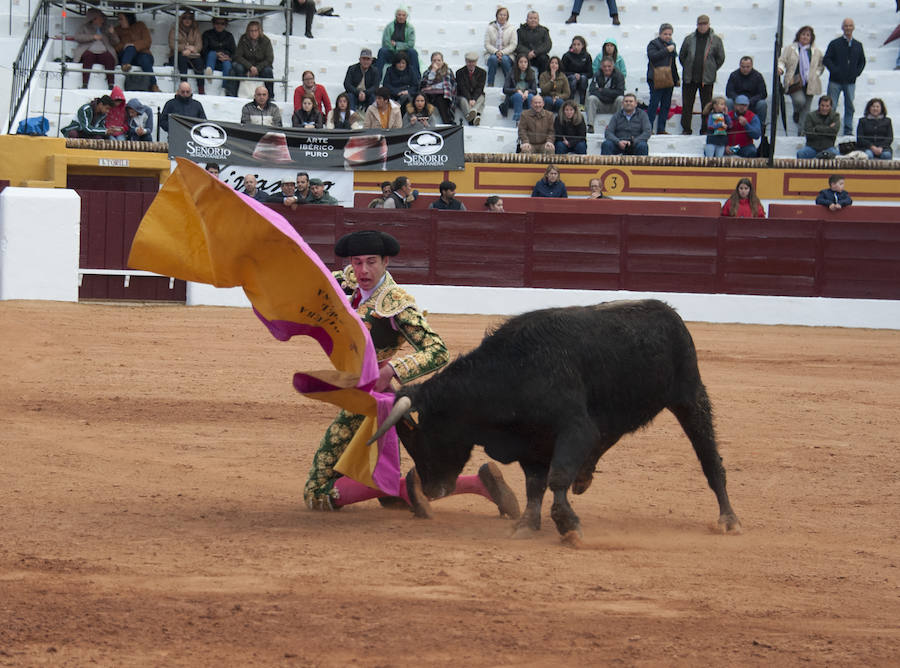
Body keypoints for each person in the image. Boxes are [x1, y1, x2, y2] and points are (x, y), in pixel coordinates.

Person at [306, 230, 519, 517]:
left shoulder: (397, 303)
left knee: (317, 493)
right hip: (355, 389)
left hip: (371, 394)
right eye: (357, 262)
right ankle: (476, 483)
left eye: (371, 262)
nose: (363, 270)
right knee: (356, 471)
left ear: (385, 262)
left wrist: (393, 368)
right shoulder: (346, 280)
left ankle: (410, 487)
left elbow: (437, 349)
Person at [678, 15, 725, 135]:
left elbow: (720, 58)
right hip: (690, 78)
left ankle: (705, 129)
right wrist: (688, 67)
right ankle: (686, 129)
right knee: (687, 105)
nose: (702, 26)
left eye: (705, 24)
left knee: (707, 105)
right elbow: (682, 56)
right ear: (697, 25)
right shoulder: (689, 39)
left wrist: (711, 69)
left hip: (707, 79)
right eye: (700, 24)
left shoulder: (716, 40)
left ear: (709, 24)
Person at [777, 26, 825, 134]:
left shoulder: (816, 51)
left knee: (807, 110)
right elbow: (782, 60)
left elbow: (821, 65)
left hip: (810, 83)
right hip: (794, 81)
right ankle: (796, 111)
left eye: (808, 35)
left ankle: (802, 131)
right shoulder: (790, 49)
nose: (805, 37)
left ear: (811, 38)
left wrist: (815, 74)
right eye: (803, 34)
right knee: (800, 101)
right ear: (799, 35)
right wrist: (780, 68)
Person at [823, 18, 866, 136]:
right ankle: (830, 129)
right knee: (832, 106)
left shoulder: (858, 45)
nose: (848, 28)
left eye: (850, 26)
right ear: (842, 28)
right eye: (846, 26)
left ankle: (848, 130)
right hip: (835, 81)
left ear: (853, 28)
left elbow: (862, 62)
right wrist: (835, 70)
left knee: (850, 107)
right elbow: (827, 59)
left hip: (850, 82)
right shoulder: (834, 43)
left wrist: (856, 73)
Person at [110, 12, 159, 92]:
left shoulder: (140, 25)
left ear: (128, 19)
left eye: (121, 19)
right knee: (129, 48)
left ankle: (153, 85)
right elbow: (115, 47)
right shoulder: (118, 30)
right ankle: (125, 64)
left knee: (144, 59)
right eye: (118, 19)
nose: (119, 21)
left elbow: (147, 41)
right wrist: (126, 45)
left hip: (142, 54)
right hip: (127, 55)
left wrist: (134, 46)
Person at [646, 23, 679, 135]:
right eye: (665, 34)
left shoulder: (672, 45)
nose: (668, 36)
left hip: (668, 78)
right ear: (660, 33)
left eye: (670, 34)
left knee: (666, 104)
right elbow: (653, 57)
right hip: (655, 77)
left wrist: (676, 78)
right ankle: (648, 128)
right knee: (654, 103)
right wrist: (667, 50)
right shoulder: (653, 44)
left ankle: (661, 128)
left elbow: (673, 63)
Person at [73, 8, 116, 89]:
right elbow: (77, 37)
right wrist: (93, 37)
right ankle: (85, 84)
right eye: (100, 17)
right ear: (94, 19)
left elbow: (115, 42)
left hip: (103, 51)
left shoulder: (106, 28)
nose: (102, 19)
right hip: (89, 50)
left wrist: (112, 33)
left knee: (110, 58)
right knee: (88, 56)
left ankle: (111, 84)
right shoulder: (84, 27)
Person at [231, 21, 275, 98]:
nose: (253, 33)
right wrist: (250, 67)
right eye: (251, 31)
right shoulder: (243, 39)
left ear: (259, 31)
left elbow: (269, 59)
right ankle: (234, 94)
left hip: (261, 67)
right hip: (246, 66)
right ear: (248, 31)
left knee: (268, 71)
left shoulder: (266, 40)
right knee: (236, 68)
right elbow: (238, 56)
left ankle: (270, 96)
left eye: (256, 30)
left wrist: (257, 68)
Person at [376, 7, 419, 81]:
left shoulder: (410, 28)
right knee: (382, 51)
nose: (401, 17)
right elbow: (386, 42)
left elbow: (410, 44)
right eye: (399, 15)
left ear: (406, 17)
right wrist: (396, 48)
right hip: (392, 53)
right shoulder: (389, 27)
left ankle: (417, 80)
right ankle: (376, 80)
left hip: (405, 54)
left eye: (403, 15)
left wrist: (397, 45)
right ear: (396, 16)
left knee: (413, 52)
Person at [168, 10, 204, 94]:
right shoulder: (175, 30)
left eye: (190, 18)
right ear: (181, 20)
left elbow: (199, 45)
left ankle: (201, 88)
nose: (187, 20)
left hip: (192, 55)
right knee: (182, 59)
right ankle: (184, 85)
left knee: (199, 62)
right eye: (184, 18)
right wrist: (184, 48)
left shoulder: (196, 31)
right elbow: (172, 45)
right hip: (176, 55)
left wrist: (191, 50)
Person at [586, 57, 625, 133]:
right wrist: (610, 93)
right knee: (591, 98)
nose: (607, 69)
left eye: (609, 66)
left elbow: (620, 92)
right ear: (601, 67)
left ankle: (620, 126)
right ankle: (590, 125)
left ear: (613, 66)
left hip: (614, 104)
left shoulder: (619, 75)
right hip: (601, 103)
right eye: (604, 66)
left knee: (621, 99)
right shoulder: (597, 74)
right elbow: (592, 90)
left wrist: (603, 90)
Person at [725, 56, 767, 125]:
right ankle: (729, 125)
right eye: (743, 67)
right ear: (740, 66)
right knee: (728, 102)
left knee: (762, 104)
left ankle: (761, 127)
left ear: (752, 66)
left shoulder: (758, 76)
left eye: (748, 67)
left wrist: (750, 101)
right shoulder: (733, 75)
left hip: (752, 103)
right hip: (737, 103)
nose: (745, 69)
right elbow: (729, 92)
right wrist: (739, 100)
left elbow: (763, 93)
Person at [797, 95, 839, 159]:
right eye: (822, 105)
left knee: (836, 154)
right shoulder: (810, 116)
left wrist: (817, 128)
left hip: (828, 148)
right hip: (812, 148)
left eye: (827, 106)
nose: (824, 108)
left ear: (830, 107)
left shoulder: (835, 116)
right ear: (819, 105)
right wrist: (828, 128)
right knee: (800, 154)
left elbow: (834, 131)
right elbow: (809, 133)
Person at [419, 52, 456, 125]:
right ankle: (425, 122)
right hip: (430, 95)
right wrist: (433, 72)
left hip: (443, 95)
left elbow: (448, 85)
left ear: (442, 61)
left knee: (441, 100)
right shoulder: (427, 72)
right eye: (434, 60)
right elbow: (424, 85)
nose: (437, 62)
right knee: (423, 98)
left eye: (439, 60)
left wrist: (432, 87)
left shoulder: (448, 71)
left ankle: (447, 122)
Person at [483, 6, 517, 87]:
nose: (502, 17)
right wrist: (496, 52)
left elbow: (513, 44)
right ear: (497, 16)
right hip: (492, 54)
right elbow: (487, 44)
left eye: (504, 15)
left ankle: (509, 84)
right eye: (500, 14)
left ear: (507, 17)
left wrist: (502, 52)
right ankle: (490, 83)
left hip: (507, 55)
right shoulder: (490, 28)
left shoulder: (512, 29)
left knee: (505, 60)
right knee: (492, 59)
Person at [201, 17, 236, 94]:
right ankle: (209, 73)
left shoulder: (229, 36)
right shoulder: (207, 34)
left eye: (222, 23)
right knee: (211, 54)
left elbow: (234, 52)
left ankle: (224, 88)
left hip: (223, 61)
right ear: (213, 24)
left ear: (225, 25)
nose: (219, 25)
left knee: (227, 63)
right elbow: (203, 50)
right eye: (217, 23)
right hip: (210, 60)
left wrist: (228, 57)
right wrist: (216, 54)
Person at [500, 54, 537, 121]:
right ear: (517, 63)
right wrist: (516, 90)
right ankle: (518, 119)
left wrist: (527, 91)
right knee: (518, 96)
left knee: (531, 96)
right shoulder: (511, 72)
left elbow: (534, 90)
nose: (523, 64)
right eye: (521, 62)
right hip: (513, 98)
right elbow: (505, 89)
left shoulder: (531, 73)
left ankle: (531, 119)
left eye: (525, 62)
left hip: (526, 98)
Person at [515, 11, 552, 76]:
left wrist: (535, 52)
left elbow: (547, 45)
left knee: (544, 59)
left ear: (538, 20)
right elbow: (517, 45)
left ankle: (541, 81)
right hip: (525, 55)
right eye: (531, 18)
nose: (533, 20)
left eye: (535, 18)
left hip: (538, 56)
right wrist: (528, 52)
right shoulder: (520, 31)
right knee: (519, 58)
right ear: (526, 20)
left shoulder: (544, 31)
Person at [456, 52, 486, 126]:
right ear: (466, 61)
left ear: (476, 62)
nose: (471, 64)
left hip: (476, 94)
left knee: (481, 98)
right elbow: (462, 87)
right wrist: (469, 99)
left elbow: (480, 87)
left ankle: (474, 112)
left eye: (473, 62)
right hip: (464, 95)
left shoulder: (482, 72)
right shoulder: (459, 72)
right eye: (469, 62)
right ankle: (474, 117)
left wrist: (474, 99)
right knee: (463, 101)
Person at [561, 36, 592, 106]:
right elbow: (562, 72)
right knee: (573, 79)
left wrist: (580, 75)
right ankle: (570, 103)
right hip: (570, 79)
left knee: (584, 78)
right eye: (574, 44)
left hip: (582, 79)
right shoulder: (567, 56)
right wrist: (574, 74)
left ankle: (582, 104)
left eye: (578, 44)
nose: (576, 47)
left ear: (583, 45)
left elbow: (590, 73)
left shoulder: (587, 56)